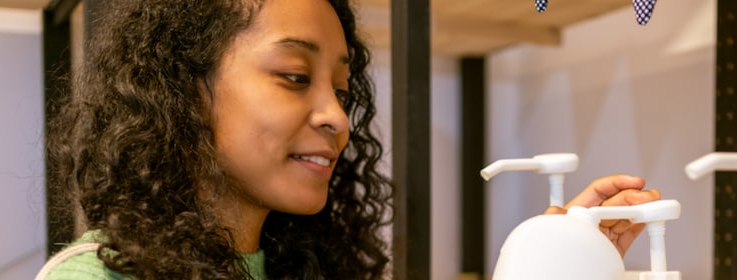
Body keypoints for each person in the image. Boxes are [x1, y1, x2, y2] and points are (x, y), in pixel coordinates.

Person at [39, 0, 661, 279]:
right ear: (183, 88)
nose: (337, 116)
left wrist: (552, 257)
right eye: (293, 77)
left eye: (342, 89)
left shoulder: (302, 265)